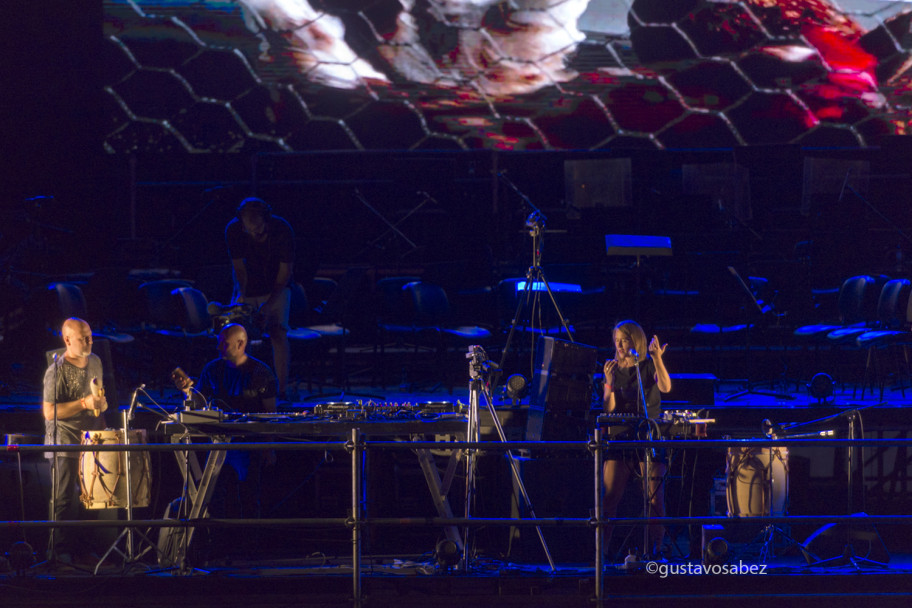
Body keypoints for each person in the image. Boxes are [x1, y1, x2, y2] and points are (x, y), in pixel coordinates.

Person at [174, 323, 277, 561]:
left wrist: (269, 447)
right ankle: (220, 544)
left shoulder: (260, 373)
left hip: (247, 444)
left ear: (241, 344)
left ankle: (251, 546)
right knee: (216, 495)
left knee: (249, 495)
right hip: (218, 443)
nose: (219, 347)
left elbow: (270, 414)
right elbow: (199, 404)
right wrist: (188, 391)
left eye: (224, 343)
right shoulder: (213, 369)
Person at [601, 319, 671, 560]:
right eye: (617, 340)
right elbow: (608, 409)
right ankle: (603, 552)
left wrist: (657, 359)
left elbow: (666, 387)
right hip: (620, 439)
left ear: (635, 341)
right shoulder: (612, 367)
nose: (619, 345)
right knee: (608, 498)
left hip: (648, 437)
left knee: (654, 498)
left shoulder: (648, 366)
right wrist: (608, 384)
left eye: (624, 340)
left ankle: (656, 550)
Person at [42, 317, 108, 564]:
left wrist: (100, 408)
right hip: (64, 440)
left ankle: (84, 549)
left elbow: (98, 397)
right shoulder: (56, 370)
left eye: (90, 336)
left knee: (90, 498)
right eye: (83, 338)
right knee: (64, 498)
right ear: (67, 340)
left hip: (89, 440)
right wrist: (84, 404)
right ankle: (58, 552)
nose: (89, 341)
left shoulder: (96, 361)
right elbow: (49, 412)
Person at [226, 196, 294, 399]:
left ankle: (281, 391)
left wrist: (269, 303)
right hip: (249, 285)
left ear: (266, 219)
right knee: (236, 335)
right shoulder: (234, 230)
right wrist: (241, 294)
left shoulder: (282, 230)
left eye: (259, 230)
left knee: (278, 332)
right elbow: (239, 268)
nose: (254, 234)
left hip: (277, 285)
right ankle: (238, 390)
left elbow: (284, 273)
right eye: (250, 230)